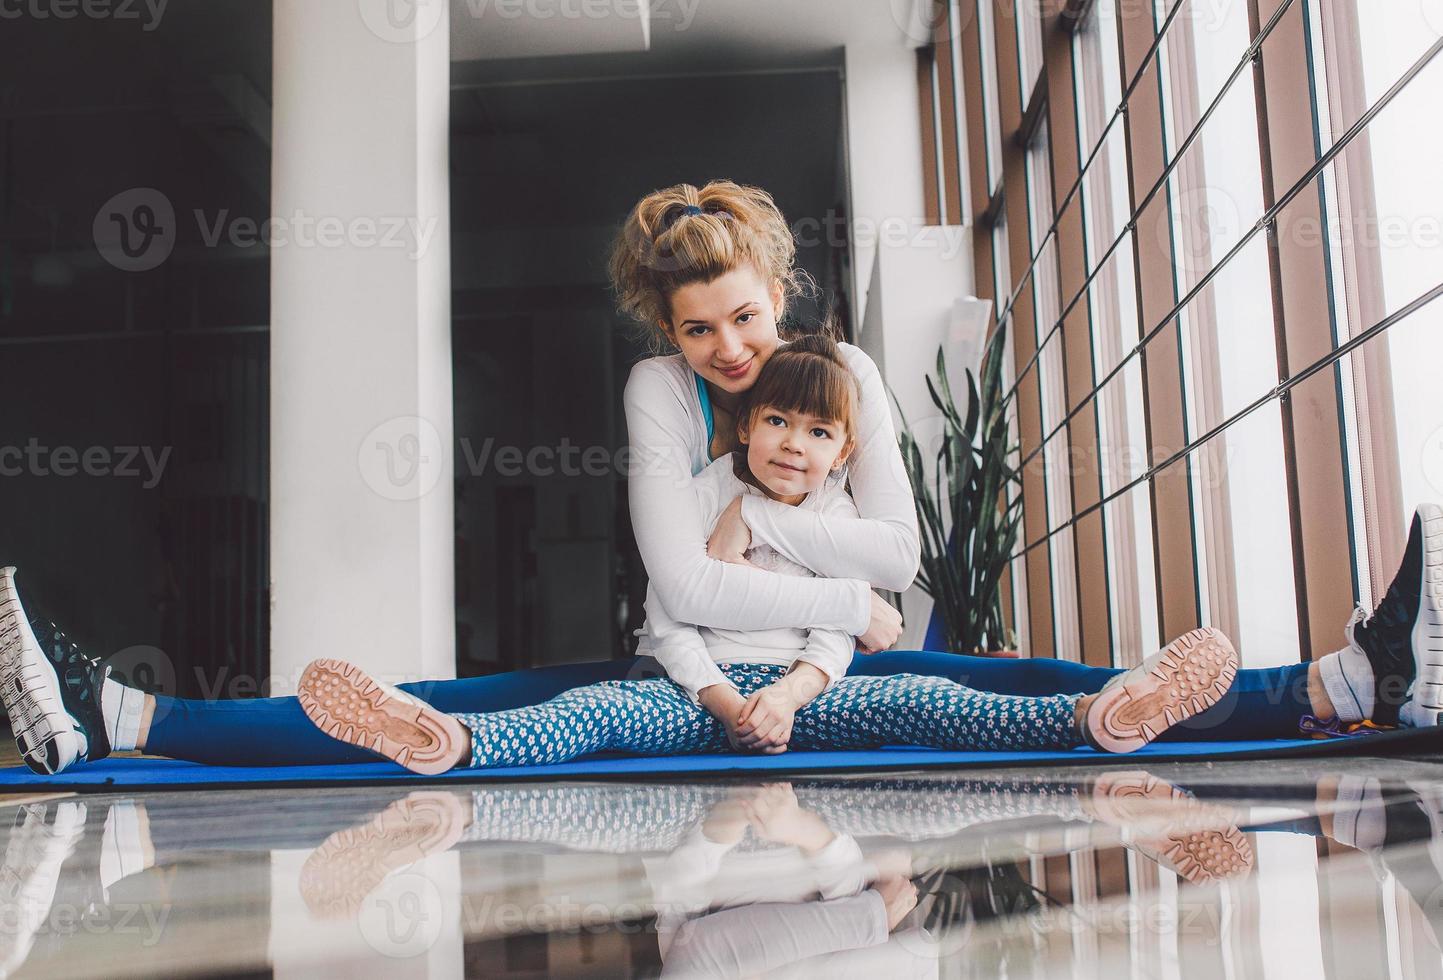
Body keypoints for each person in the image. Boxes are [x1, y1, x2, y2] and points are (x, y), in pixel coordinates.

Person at [0, 180, 1440, 774]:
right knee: (466, 705)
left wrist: (769, 542)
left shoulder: (850, 377)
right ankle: (117, 715)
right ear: (661, 331)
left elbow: (903, 569)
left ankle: (1345, 685)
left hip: (825, 662)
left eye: (746, 317)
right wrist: (802, 566)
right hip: (694, 661)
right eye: (698, 332)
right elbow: (675, 584)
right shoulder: (650, 391)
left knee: (1015, 685)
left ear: (780, 287)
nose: (732, 355)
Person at [289, 337, 1242, 772]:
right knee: (588, 710)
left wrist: (785, 697)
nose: (792, 442)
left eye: (816, 432)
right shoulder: (704, 493)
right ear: (745, 426)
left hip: (808, 703)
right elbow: (670, 621)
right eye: (774, 421)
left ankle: (1100, 717)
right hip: (694, 699)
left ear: (843, 449)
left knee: (935, 700)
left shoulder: (838, 520)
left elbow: (842, 638)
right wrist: (720, 699)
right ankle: (447, 742)